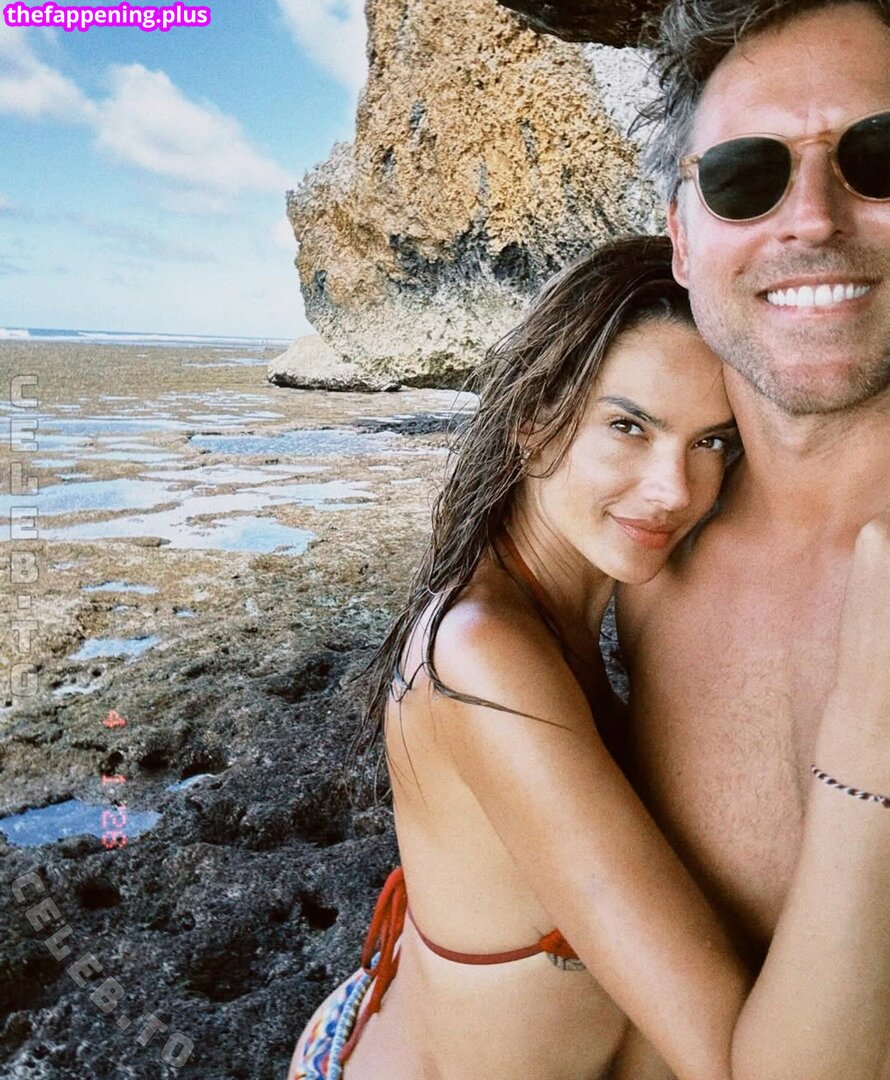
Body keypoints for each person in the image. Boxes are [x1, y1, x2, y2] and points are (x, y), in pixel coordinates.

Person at [287, 231, 885, 1079]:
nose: (674, 489)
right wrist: (868, 733)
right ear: (535, 421)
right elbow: (730, 1067)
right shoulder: (480, 656)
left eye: (713, 442)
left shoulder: (590, 602)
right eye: (628, 426)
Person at [613, 0, 890, 1076]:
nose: (811, 219)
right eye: (743, 175)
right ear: (682, 238)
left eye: (878, 156)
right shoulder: (634, 545)